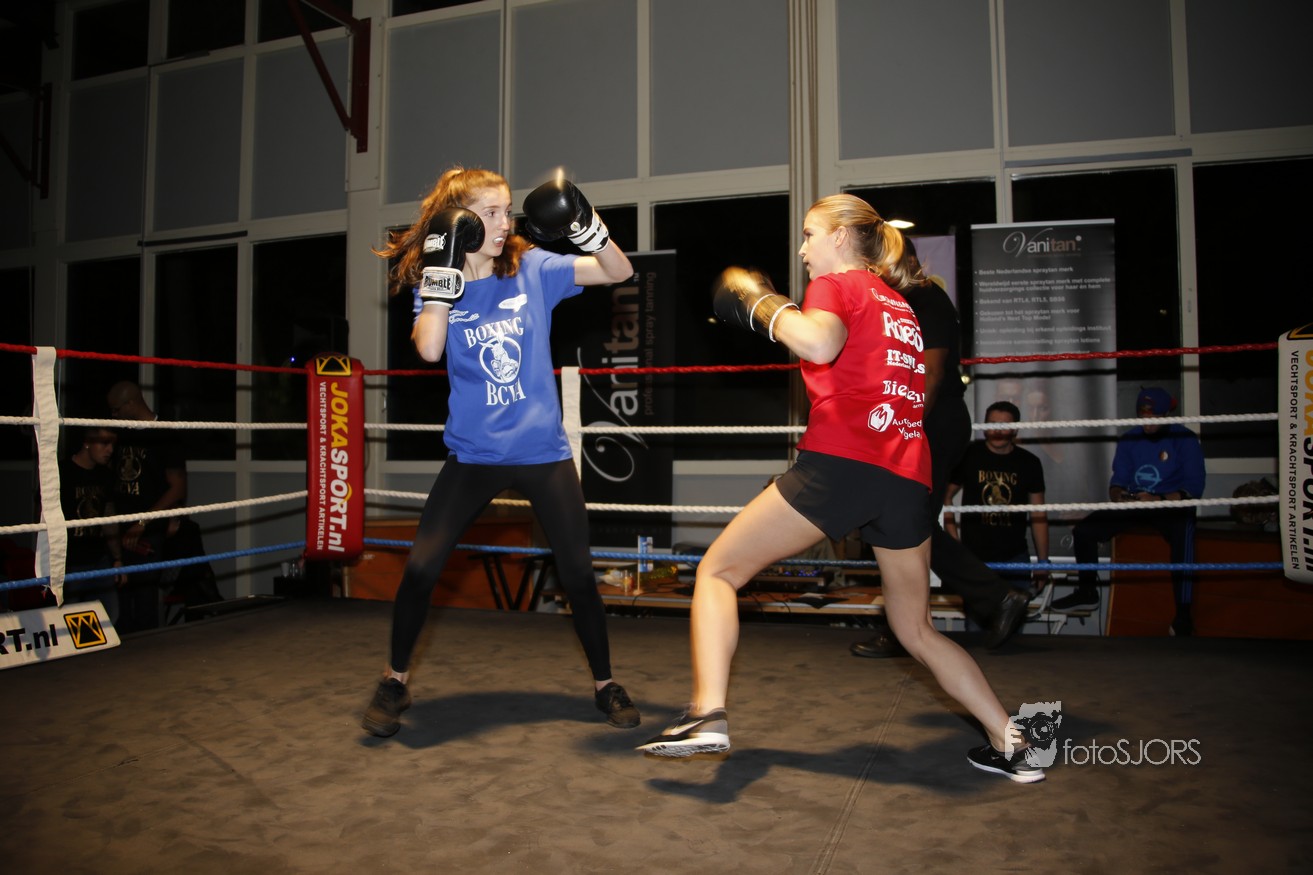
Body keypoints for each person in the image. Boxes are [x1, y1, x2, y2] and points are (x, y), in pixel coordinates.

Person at [636, 194, 1044, 782]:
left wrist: (763, 303)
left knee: (718, 572)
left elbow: (820, 344)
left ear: (841, 237)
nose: (803, 249)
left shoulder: (837, 284)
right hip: (907, 474)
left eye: (809, 234)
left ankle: (707, 714)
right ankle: (1014, 743)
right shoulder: (899, 305)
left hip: (845, 463)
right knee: (917, 629)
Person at [360, 166, 642, 737]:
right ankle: (394, 680)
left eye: (506, 211)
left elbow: (619, 271)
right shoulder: (439, 280)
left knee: (578, 574)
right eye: (489, 212)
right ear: (460, 219)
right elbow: (429, 349)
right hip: (474, 455)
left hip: (542, 452)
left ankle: (605, 684)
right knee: (421, 567)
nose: (503, 223)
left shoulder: (531, 266)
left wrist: (587, 227)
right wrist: (441, 278)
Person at [849, 239, 1031, 658]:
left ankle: (981, 602)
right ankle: (934, 619)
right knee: (905, 527)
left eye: (884, 262)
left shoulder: (927, 298)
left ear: (909, 260)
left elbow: (930, 372)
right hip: (920, 421)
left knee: (903, 526)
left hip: (932, 421)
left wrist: (905, 428)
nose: (878, 271)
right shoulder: (898, 303)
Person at [1057, 387, 1205, 635]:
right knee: (1084, 530)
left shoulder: (1184, 439)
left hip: (1169, 506)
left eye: (1154, 416)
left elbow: (1194, 488)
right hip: (1136, 503)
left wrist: (1158, 499)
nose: (1147, 422)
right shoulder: (1130, 438)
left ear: (1166, 414)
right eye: (1143, 416)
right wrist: (1121, 496)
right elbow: (1117, 482)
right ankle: (1087, 592)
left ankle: (1183, 615)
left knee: (1185, 530)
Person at [107, 381, 221, 630]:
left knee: (144, 601)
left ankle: (149, 651)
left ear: (131, 403)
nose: (113, 415)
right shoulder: (122, 433)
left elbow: (178, 488)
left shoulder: (164, 434)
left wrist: (142, 522)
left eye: (117, 409)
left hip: (147, 533)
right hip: (119, 530)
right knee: (122, 603)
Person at [942, 401, 1050, 593]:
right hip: (974, 556)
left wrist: (1043, 561)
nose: (997, 431)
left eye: (1004, 425)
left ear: (1015, 430)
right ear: (984, 426)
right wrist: (954, 542)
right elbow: (945, 496)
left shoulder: (1029, 463)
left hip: (1015, 556)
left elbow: (1038, 515)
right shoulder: (969, 454)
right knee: (976, 613)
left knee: (1015, 611)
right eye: (992, 424)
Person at [58, 425, 124, 620]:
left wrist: (117, 559)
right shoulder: (62, 472)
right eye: (104, 443)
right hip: (69, 561)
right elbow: (42, 516)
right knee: (68, 620)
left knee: (110, 616)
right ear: (87, 443)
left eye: (112, 445)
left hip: (98, 558)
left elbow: (109, 519)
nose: (110, 450)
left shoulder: (106, 475)